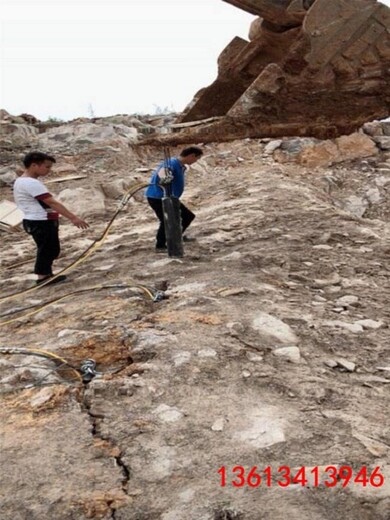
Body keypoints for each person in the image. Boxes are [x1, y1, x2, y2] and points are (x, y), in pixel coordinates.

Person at [13, 151, 89, 285]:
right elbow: (51, 202)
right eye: (47, 167)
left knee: (50, 248)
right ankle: (42, 277)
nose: (49, 170)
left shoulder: (22, 181)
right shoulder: (31, 183)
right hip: (40, 221)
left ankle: (46, 274)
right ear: (34, 165)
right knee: (47, 249)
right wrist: (73, 218)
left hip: (37, 220)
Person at [145, 146, 203, 252]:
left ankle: (177, 236)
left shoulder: (180, 165)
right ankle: (160, 245)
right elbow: (163, 171)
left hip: (171, 197)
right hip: (158, 197)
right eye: (196, 158)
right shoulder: (172, 162)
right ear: (191, 155)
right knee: (166, 220)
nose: (196, 161)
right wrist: (165, 177)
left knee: (187, 216)